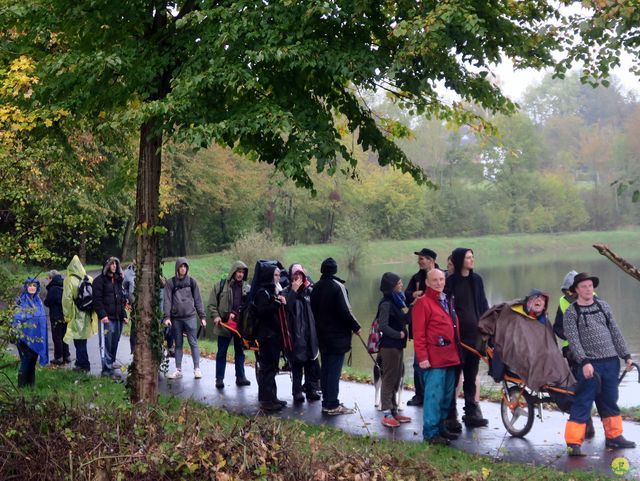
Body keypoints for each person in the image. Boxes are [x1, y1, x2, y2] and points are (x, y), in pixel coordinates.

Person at [563, 272, 636, 456]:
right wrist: (584, 362)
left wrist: (626, 356)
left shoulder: (603, 306)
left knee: (609, 400)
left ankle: (614, 437)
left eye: (590, 286)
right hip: (590, 365)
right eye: (583, 287)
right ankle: (573, 443)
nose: (588, 289)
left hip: (611, 362)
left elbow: (615, 332)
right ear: (576, 290)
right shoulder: (572, 312)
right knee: (583, 401)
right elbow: (574, 341)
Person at [478, 289, 575, 391]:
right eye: (536, 298)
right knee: (532, 356)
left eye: (542, 299)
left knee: (554, 356)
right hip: (523, 356)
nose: (539, 301)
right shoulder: (514, 316)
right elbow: (513, 340)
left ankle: (566, 385)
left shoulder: (544, 321)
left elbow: (551, 343)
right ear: (528, 301)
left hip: (544, 358)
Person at [412, 269, 460, 445]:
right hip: (434, 360)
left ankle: (440, 428)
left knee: (447, 397)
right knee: (434, 396)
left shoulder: (446, 300)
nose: (439, 283)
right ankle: (431, 433)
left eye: (441, 279)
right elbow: (418, 333)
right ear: (427, 282)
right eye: (435, 280)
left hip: (450, 357)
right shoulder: (423, 303)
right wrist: (423, 357)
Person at [444, 247, 489, 430]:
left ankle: (471, 411)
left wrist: (487, 326)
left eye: (472, 257)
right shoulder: (450, 282)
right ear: (460, 260)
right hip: (457, 338)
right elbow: (446, 308)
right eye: (468, 257)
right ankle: (450, 414)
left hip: (475, 336)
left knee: (471, 375)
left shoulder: (476, 280)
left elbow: (483, 304)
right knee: (454, 376)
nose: (472, 260)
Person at [310, 257, 361, 416]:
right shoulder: (338, 287)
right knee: (333, 371)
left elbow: (313, 309)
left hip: (321, 335)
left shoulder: (316, 287)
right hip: (337, 337)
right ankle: (332, 404)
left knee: (326, 369)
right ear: (335, 270)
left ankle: (327, 402)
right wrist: (356, 327)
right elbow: (346, 311)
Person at [553, 270, 595, 438]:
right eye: (567, 291)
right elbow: (557, 327)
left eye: (572, 290)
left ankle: (590, 422)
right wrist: (570, 335)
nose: (569, 294)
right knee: (580, 387)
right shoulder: (563, 302)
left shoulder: (593, 299)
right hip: (571, 350)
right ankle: (586, 424)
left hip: (591, 349)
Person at [208, 260, 252, 389]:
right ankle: (219, 379)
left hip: (240, 326)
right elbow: (211, 304)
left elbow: (249, 307)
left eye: (243, 272)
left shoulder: (247, 288)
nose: (240, 275)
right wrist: (216, 316)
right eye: (238, 272)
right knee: (222, 352)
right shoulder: (220, 285)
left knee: (240, 352)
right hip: (224, 325)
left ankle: (240, 377)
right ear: (233, 271)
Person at [163, 257, 207, 380]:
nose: (183, 269)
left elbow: (198, 300)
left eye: (185, 266)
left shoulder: (192, 282)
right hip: (176, 319)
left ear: (187, 268)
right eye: (181, 266)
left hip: (190, 317)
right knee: (178, 345)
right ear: (177, 268)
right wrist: (167, 317)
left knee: (193, 343)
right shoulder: (170, 283)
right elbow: (167, 301)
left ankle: (197, 369)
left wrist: (202, 316)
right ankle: (178, 370)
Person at [252, 263, 288, 411]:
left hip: (273, 336)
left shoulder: (271, 291)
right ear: (269, 276)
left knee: (272, 368)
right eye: (275, 275)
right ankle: (266, 401)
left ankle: (272, 397)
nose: (279, 277)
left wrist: (278, 301)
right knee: (267, 368)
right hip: (267, 336)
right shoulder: (262, 292)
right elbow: (262, 312)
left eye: (279, 275)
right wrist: (277, 303)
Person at [377, 272, 411, 427]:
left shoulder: (397, 301)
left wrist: (414, 307)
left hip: (397, 346)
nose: (401, 284)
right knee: (389, 378)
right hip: (389, 346)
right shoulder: (385, 303)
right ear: (392, 286)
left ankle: (394, 411)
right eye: (399, 283)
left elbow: (403, 320)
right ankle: (386, 413)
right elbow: (382, 325)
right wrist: (398, 334)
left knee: (396, 378)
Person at [405, 248, 438, 407]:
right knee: (418, 363)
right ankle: (420, 395)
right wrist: (413, 295)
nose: (419, 261)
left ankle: (434, 395)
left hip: (437, 327)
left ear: (431, 260)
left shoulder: (441, 276)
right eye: (419, 259)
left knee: (437, 363)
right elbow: (405, 297)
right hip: (419, 326)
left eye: (422, 259)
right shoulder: (416, 278)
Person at [284, 263, 321, 403]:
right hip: (294, 335)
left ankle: (311, 389)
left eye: (300, 275)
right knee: (297, 365)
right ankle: (297, 391)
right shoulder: (286, 292)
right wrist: (293, 291)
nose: (298, 277)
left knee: (311, 363)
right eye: (295, 275)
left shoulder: (309, 291)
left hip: (310, 333)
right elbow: (286, 308)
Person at [93, 257, 128, 378]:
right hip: (106, 318)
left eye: (115, 264)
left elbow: (121, 300)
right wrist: (102, 315)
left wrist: (124, 315)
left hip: (117, 317)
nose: (114, 266)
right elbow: (97, 300)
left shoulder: (118, 280)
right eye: (111, 264)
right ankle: (106, 370)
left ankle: (111, 363)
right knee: (106, 344)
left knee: (114, 342)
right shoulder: (99, 281)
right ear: (107, 265)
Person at [62, 255, 98, 372]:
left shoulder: (69, 280)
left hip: (76, 314)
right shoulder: (89, 278)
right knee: (82, 340)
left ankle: (83, 365)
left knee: (78, 341)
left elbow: (67, 299)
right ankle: (80, 362)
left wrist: (67, 315)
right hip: (87, 314)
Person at [12, 278, 49, 386]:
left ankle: (31, 385)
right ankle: (21, 386)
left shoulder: (38, 301)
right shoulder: (22, 301)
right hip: (24, 338)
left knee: (33, 360)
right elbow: (17, 318)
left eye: (34, 285)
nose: (32, 287)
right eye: (30, 285)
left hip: (36, 337)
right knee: (26, 360)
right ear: (26, 287)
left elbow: (41, 318)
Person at [44, 269, 70, 365]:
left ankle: (58, 357)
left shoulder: (53, 288)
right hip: (65, 315)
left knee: (57, 337)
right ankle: (67, 356)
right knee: (64, 336)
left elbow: (47, 302)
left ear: (51, 278)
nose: (47, 280)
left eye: (48, 278)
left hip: (56, 316)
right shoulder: (65, 285)